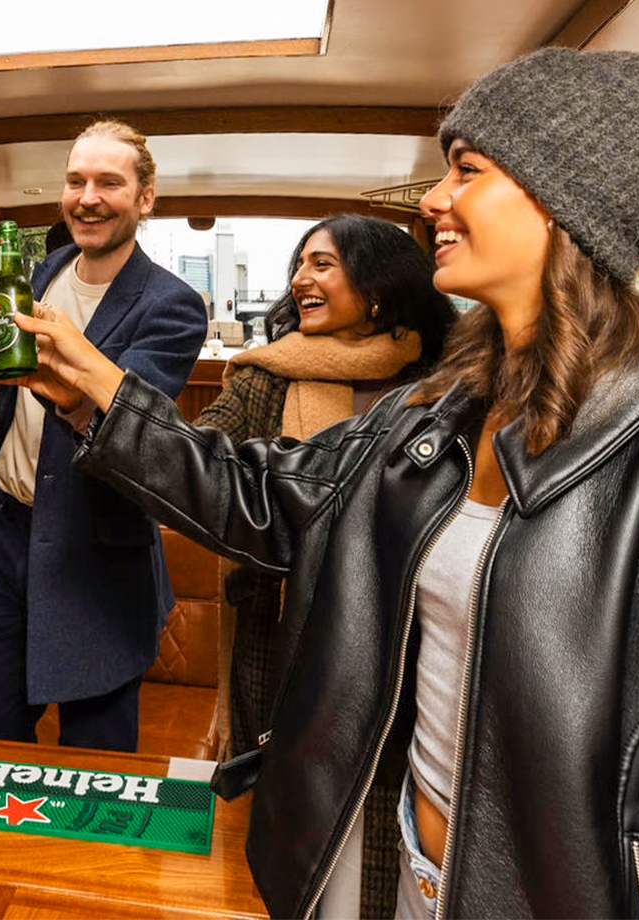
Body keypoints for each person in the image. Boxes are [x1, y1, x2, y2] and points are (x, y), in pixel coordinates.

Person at [0, 49, 639, 917]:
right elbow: (262, 498)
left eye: (467, 170)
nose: (434, 200)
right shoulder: (437, 412)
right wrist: (98, 391)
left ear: (569, 203)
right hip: (398, 866)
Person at [195, 214, 456, 917]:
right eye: (299, 265)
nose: (301, 279)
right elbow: (202, 462)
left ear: (375, 287)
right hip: (277, 629)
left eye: (323, 264)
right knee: (280, 819)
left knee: (378, 816)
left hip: (401, 640)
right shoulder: (260, 376)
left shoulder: (443, 380)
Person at [0, 119, 208, 752]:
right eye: (75, 181)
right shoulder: (37, 274)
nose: (87, 197)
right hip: (6, 536)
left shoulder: (171, 305)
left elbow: (128, 426)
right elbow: (3, 403)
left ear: (145, 198)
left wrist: (55, 369)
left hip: (98, 550)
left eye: (108, 183)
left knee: (98, 762)